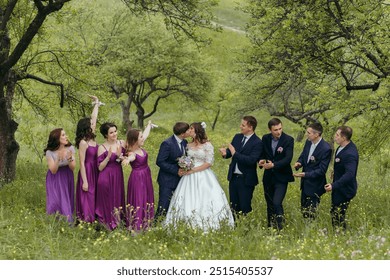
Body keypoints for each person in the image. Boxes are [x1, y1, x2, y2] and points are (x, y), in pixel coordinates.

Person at [164, 122, 234, 231]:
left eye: (191, 128)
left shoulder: (207, 145)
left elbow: (209, 163)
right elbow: (186, 158)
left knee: (206, 196)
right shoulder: (187, 145)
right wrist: (184, 165)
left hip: (203, 174)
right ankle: (184, 222)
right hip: (188, 176)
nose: (189, 130)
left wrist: (193, 170)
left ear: (197, 131)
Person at [219, 116, 263, 217]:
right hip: (234, 177)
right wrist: (225, 153)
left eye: (243, 125)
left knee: (245, 207)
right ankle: (235, 228)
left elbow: (251, 160)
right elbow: (230, 152)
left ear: (250, 127)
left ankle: (245, 229)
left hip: (246, 180)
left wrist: (235, 153)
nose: (240, 126)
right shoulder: (237, 137)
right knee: (233, 207)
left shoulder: (257, 142)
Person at [258, 118, 294, 230]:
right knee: (269, 204)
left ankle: (280, 228)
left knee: (277, 202)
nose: (278, 132)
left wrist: (274, 165)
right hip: (268, 176)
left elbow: (288, 158)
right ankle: (271, 227)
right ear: (270, 130)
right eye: (275, 130)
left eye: (280, 129)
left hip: (282, 176)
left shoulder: (288, 139)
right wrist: (261, 161)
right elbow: (262, 153)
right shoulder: (265, 138)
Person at [294, 122, 332, 220]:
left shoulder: (326, 149)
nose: (306, 134)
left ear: (316, 134)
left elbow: (322, 170)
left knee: (311, 212)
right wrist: (299, 162)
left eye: (309, 133)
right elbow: (304, 155)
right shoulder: (308, 142)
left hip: (315, 185)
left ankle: (311, 231)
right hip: (305, 184)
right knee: (303, 209)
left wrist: (305, 174)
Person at [122, 120, 155, 231]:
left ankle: (147, 223)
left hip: (146, 175)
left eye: (141, 136)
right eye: (140, 137)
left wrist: (149, 125)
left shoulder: (139, 146)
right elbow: (132, 157)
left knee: (146, 198)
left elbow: (145, 134)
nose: (143, 138)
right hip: (138, 177)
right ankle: (137, 225)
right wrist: (127, 159)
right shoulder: (132, 152)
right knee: (139, 198)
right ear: (135, 140)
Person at [325, 126, 359, 231]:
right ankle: (338, 234)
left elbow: (350, 174)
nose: (335, 137)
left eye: (337, 135)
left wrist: (333, 185)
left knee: (338, 214)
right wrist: (335, 173)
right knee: (334, 212)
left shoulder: (350, 154)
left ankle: (341, 236)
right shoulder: (340, 147)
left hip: (345, 189)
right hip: (338, 185)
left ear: (344, 138)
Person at [155, 122, 190, 221]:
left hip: (180, 180)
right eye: (188, 130)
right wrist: (176, 170)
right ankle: (156, 225)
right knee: (164, 205)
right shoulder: (167, 143)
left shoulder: (185, 142)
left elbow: (185, 157)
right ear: (183, 133)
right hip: (167, 180)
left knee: (175, 205)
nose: (189, 131)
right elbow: (160, 161)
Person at [75, 95, 101, 223]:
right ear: (86, 127)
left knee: (96, 195)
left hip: (96, 170)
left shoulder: (92, 139)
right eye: (90, 124)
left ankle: (95, 219)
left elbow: (94, 118)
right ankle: (86, 220)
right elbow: (82, 163)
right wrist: (84, 181)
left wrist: (96, 103)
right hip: (87, 171)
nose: (93, 124)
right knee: (88, 195)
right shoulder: (83, 143)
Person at [95, 122, 126, 230]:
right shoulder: (102, 147)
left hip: (117, 175)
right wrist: (108, 157)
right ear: (106, 135)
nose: (114, 134)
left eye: (115, 131)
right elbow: (99, 168)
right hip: (105, 176)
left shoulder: (121, 143)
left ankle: (118, 222)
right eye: (111, 132)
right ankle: (106, 224)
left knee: (117, 197)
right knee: (107, 199)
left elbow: (127, 159)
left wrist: (119, 156)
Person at [44, 128, 76, 223]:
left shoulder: (70, 148)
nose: (66, 136)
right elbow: (53, 170)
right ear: (57, 138)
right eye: (63, 135)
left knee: (66, 198)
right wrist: (58, 159)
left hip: (67, 175)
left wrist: (70, 159)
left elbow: (73, 167)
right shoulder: (49, 152)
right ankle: (54, 220)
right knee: (55, 200)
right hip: (54, 177)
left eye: (65, 134)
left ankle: (68, 222)